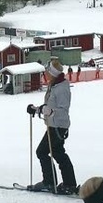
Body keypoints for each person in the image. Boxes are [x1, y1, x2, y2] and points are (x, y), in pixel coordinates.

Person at [26, 59, 78, 194]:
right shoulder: (55, 85)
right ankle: (69, 183)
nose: (46, 75)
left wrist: (50, 111)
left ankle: (49, 182)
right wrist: (37, 109)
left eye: (47, 72)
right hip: (54, 125)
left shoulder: (61, 88)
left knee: (42, 152)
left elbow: (63, 109)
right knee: (58, 152)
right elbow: (49, 107)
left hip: (58, 126)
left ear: (53, 74)